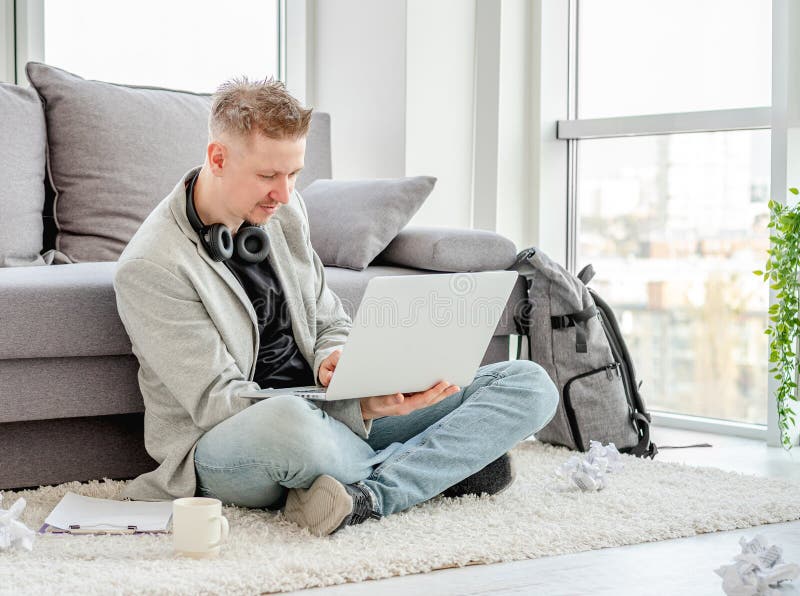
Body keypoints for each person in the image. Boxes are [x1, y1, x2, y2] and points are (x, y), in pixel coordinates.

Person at [113, 76, 559, 537]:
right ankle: (443, 466)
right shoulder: (152, 266)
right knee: (289, 426)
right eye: (268, 176)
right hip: (243, 439)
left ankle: (368, 494)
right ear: (218, 158)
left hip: (334, 414)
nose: (284, 194)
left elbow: (327, 317)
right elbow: (218, 403)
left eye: (294, 175)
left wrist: (338, 360)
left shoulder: (285, 211)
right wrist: (356, 406)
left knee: (527, 382)